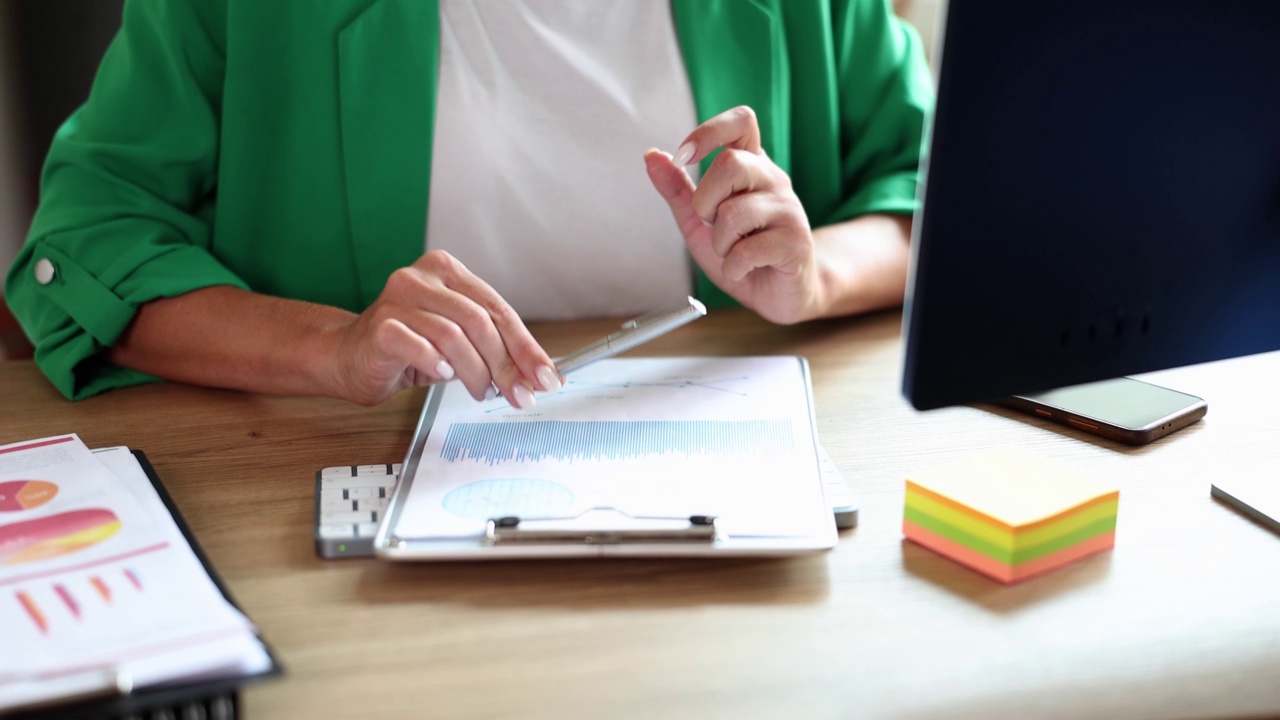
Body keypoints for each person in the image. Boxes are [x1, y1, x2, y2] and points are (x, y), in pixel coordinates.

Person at [4, 0, 933, 408]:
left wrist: (812, 278)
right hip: (337, 534)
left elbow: (937, 195)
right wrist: (332, 347)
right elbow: (85, 251)